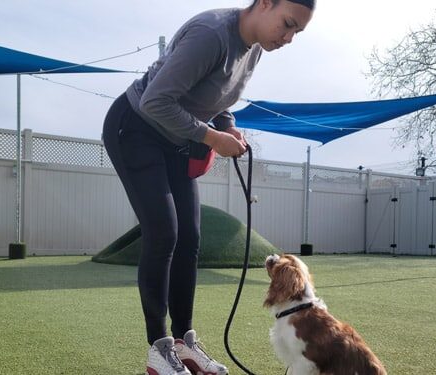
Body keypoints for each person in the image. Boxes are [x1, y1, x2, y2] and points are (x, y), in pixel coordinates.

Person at [102, 1, 315, 374]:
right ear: (264, 3)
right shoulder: (211, 34)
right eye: (287, 24)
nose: (289, 38)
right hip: (135, 127)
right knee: (164, 232)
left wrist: (227, 124)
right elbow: (155, 101)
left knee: (190, 239)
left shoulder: (254, 50)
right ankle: (159, 348)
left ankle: (185, 343)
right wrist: (213, 138)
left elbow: (219, 96)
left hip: (173, 140)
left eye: (297, 32)